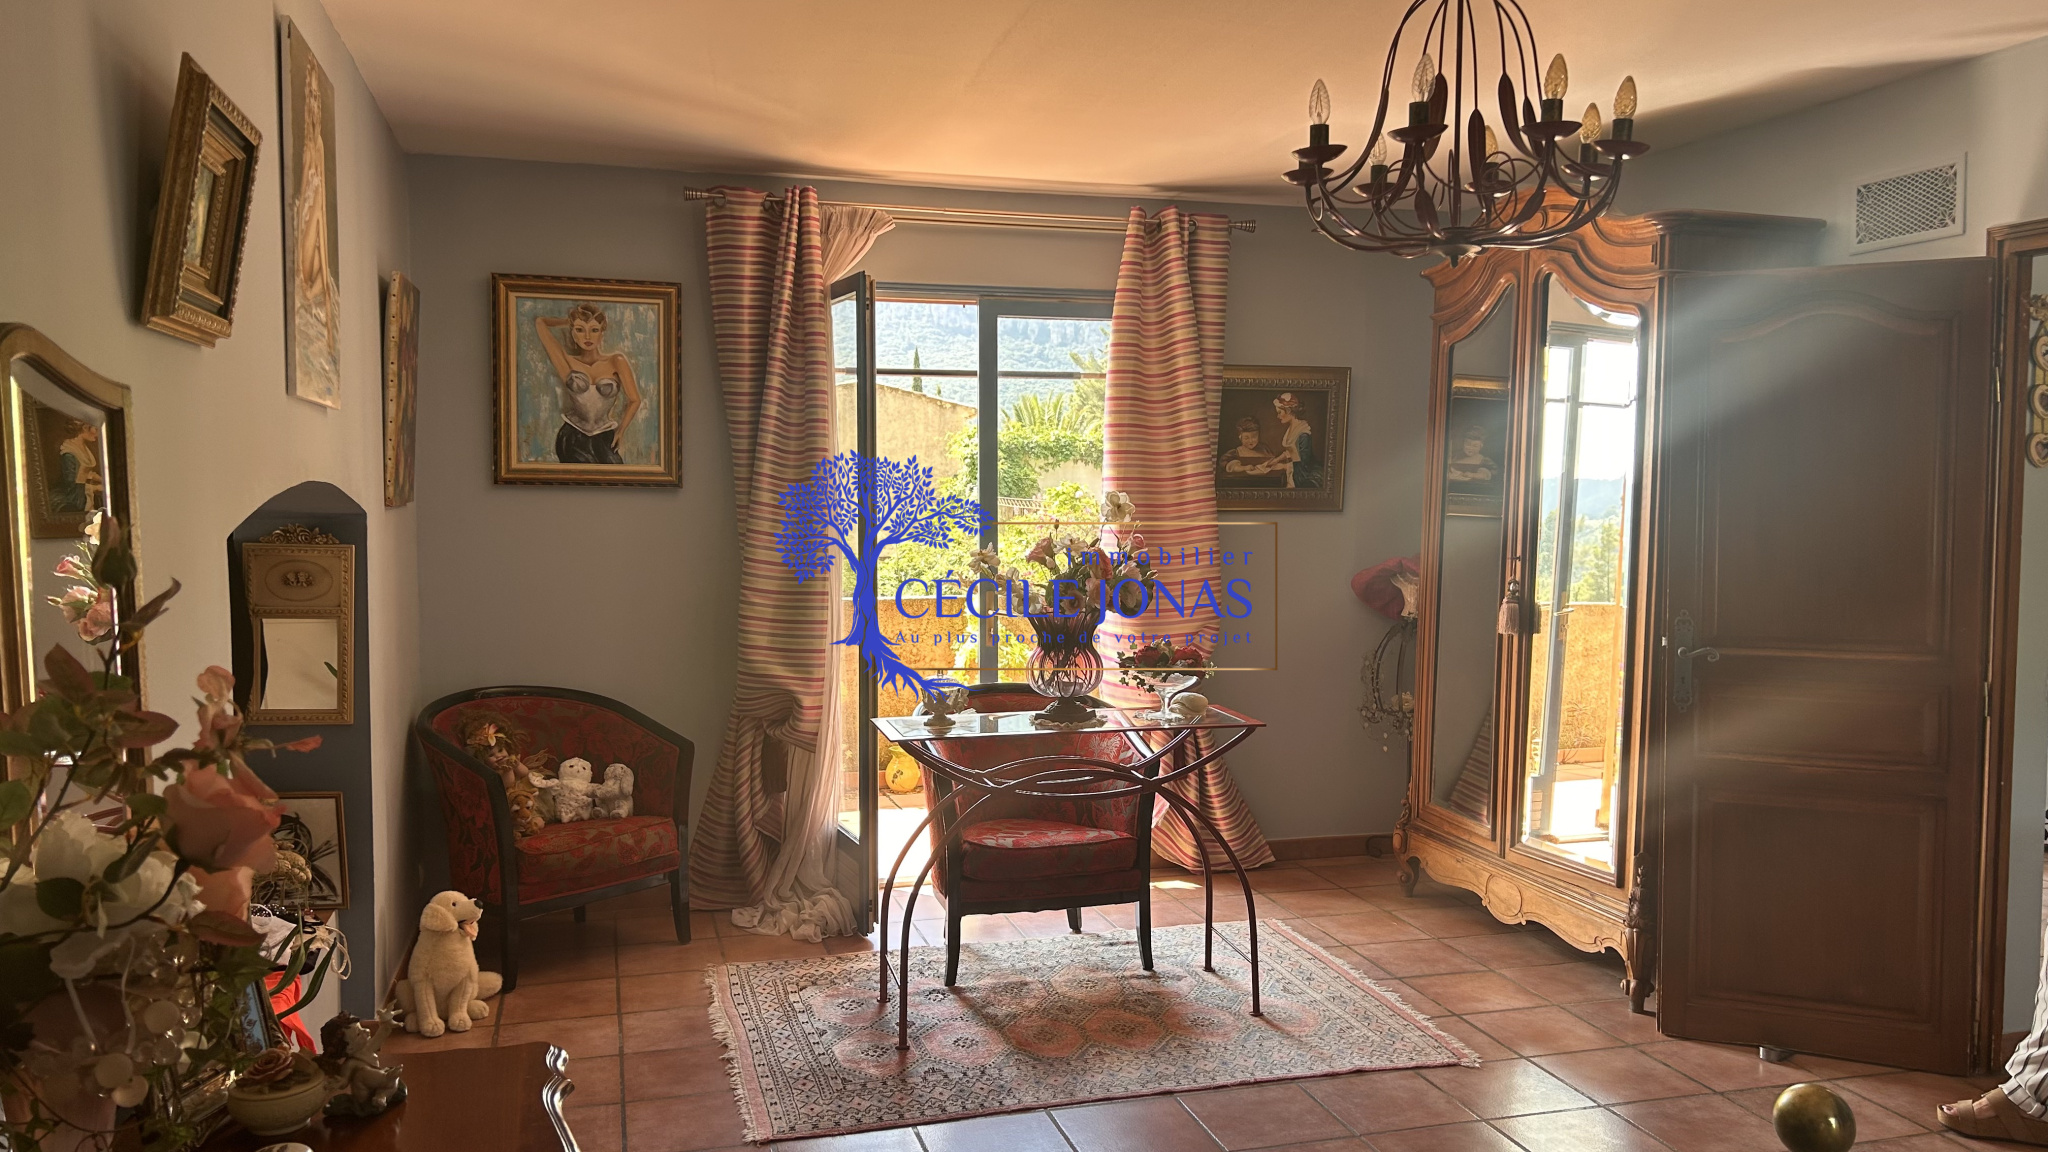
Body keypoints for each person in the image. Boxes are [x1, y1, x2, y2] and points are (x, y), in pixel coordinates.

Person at [534, 303, 642, 465]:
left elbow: (634, 400)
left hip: (605, 435)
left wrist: (620, 431)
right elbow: (540, 322)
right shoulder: (567, 363)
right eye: (579, 330)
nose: (587, 336)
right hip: (572, 437)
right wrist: (570, 320)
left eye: (594, 330)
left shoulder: (616, 361)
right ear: (572, 333)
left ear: (602, 332)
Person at [1269, 392, 1320, 490]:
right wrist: (1277, 459)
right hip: (1293, 472)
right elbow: (1291, 450)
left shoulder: (1303, 433)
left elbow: (1305, 464)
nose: (1278, 416)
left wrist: (1284, 466)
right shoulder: (1292, 428)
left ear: (1288, 411)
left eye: (1279, 412)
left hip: (1302, 476)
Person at [1219, 416, 1278, 483]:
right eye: (1246, 438)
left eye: (1254, 437)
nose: (1251, 441)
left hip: (1265, 481)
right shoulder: (1236, 452)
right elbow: (1224, 464)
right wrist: (1243, 468)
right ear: (1240, 437)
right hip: (1243, 482)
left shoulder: (1265, 449)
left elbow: (1273, 462)